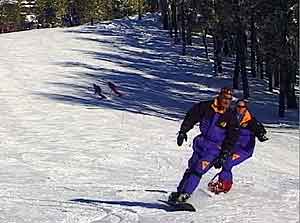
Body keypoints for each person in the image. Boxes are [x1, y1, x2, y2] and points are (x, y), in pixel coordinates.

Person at [169, 87, 239, 203]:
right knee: (191, 168)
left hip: (215, 148)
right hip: (201, 144)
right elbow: (192, 117)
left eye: (230, 99)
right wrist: (183, 131)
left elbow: (232, 137)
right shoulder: (206, 107)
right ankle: (179, 192)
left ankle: (186, 194)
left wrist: (224, 154)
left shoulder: (230, 116)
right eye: (225, 98)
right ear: (220, 96)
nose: (227, 101)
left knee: (198, 169)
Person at [208, 99, 268, 194]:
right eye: (238, 106)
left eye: (242, 107)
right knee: (221, 160)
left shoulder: (250, 120)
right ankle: (222, 182)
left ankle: (225, 185)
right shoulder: (231, 116)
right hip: (233, 146)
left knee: (227, 163)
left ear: (246, 108)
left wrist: (260, 134)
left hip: (244, 150)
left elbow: (259, 129)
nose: (240, 109)